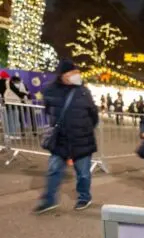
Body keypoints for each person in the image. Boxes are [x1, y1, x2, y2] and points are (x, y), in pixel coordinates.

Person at [34, 59, 99, 214]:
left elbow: (94, 115)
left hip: (82, 139)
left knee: (83, 173)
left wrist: (85, 128)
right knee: (54, 170)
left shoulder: (83, 91)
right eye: (71, 72)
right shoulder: (50, 91)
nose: (75, 75)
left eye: (75, 72)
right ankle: (49, 200)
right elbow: (48, 111)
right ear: (63, 75)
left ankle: (84, 197)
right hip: (60, 140)